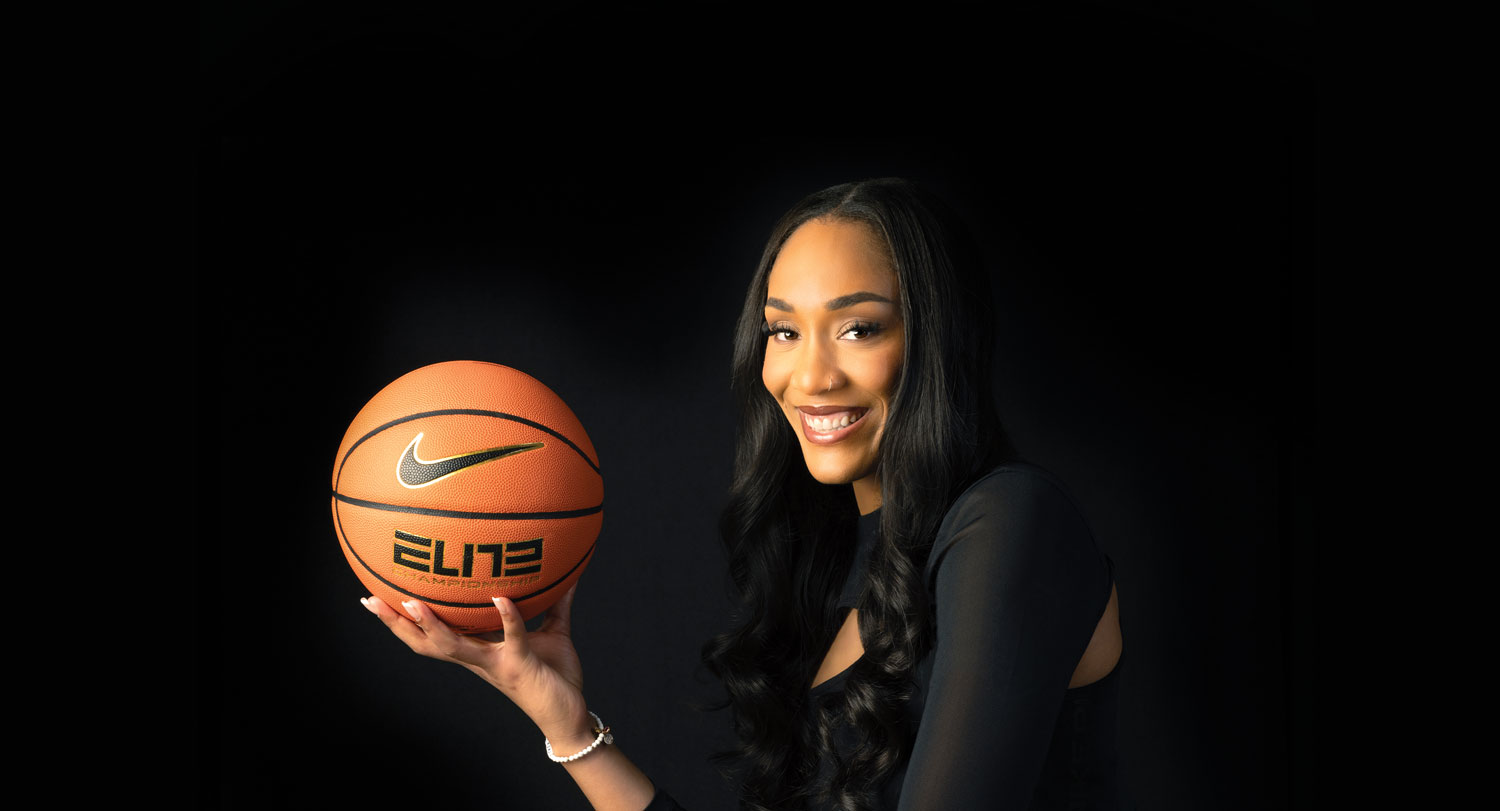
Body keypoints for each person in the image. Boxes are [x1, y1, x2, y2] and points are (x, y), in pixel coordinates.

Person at [361, 178, 1125, 810]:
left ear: (937, 340)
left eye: (859, 328)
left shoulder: (1012, 522)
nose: (811, 376)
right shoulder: (842, 561)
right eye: (783, 331)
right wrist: (561, 717)